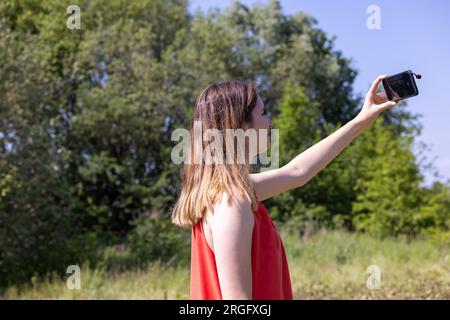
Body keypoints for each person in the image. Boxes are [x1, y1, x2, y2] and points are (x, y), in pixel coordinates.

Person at [170, 76, 396, 300]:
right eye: (262, 114)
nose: (269, 123)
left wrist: (362, 120)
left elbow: (298, 172)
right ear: (239, 125)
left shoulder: (234, 193)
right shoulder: (230, 205)